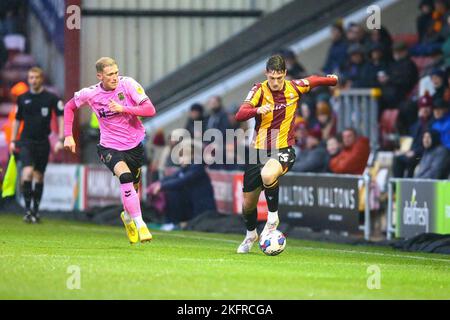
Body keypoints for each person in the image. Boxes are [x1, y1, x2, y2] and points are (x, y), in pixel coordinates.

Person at [234, 54, 338, 253]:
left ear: (285, 75)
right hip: (259, 151)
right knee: (248, 204)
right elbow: (240, 114)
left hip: (284, 148)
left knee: (268, 174)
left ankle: (272, 219)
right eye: (272, 78)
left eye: (279, 78)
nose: (275, 82)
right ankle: (250, 235)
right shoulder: (258, 90)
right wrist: (257, 111)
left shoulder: (293, 88)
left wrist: (331, 80)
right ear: (266, 74)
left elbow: (313, 81)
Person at [63, 57, 156, 244]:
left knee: (133, 187)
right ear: (100, 76)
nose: (114, 77)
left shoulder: (128, 84)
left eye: (116, 73)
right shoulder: (90, 94)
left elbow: (150, 109)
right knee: (125, 177)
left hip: (134, 145)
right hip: (109, 146)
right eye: (110, 74)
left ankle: (128, 218)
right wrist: (68, 135)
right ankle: (141, 225)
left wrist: (124, 108)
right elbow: (69, 107)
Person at [9, 67, 64, 223]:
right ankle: (27, 210)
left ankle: (35, 210)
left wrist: (60, 139)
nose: (33, 80)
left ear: (41, 79)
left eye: (36, 77)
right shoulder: (22, 98)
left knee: (39, 176)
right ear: (28, 79)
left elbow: (61, 117)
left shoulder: (51, 98)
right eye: (31, 77)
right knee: (27, 173)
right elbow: (17, 120)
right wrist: (13, 141)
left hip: (42, 142)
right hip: (26, 141)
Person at [150, 142, 216, 231]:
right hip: (191, 203)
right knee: (170, 191)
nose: (180, 160)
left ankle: (173, 222)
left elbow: (181, 181)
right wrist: (157, 184)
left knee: (172, 192)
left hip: (202, 208)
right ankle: (170, 222)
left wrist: (161, 186)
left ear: (192, 156)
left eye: (183, 156)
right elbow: (172, 177)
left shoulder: (197, 167)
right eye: (180, 157)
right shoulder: (186, 167)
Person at [393, 93, 435, 178]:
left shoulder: (433, 123)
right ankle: (396, 187)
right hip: (413, 153)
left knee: (411, 160)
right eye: (423, 107)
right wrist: (403, 150)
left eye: (427, 107)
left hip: (422, 155)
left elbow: (429, 144)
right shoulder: (417, 123)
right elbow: (410, 138)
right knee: (397, 158)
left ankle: (409, 186)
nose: (425, 109)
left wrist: (415, 152)